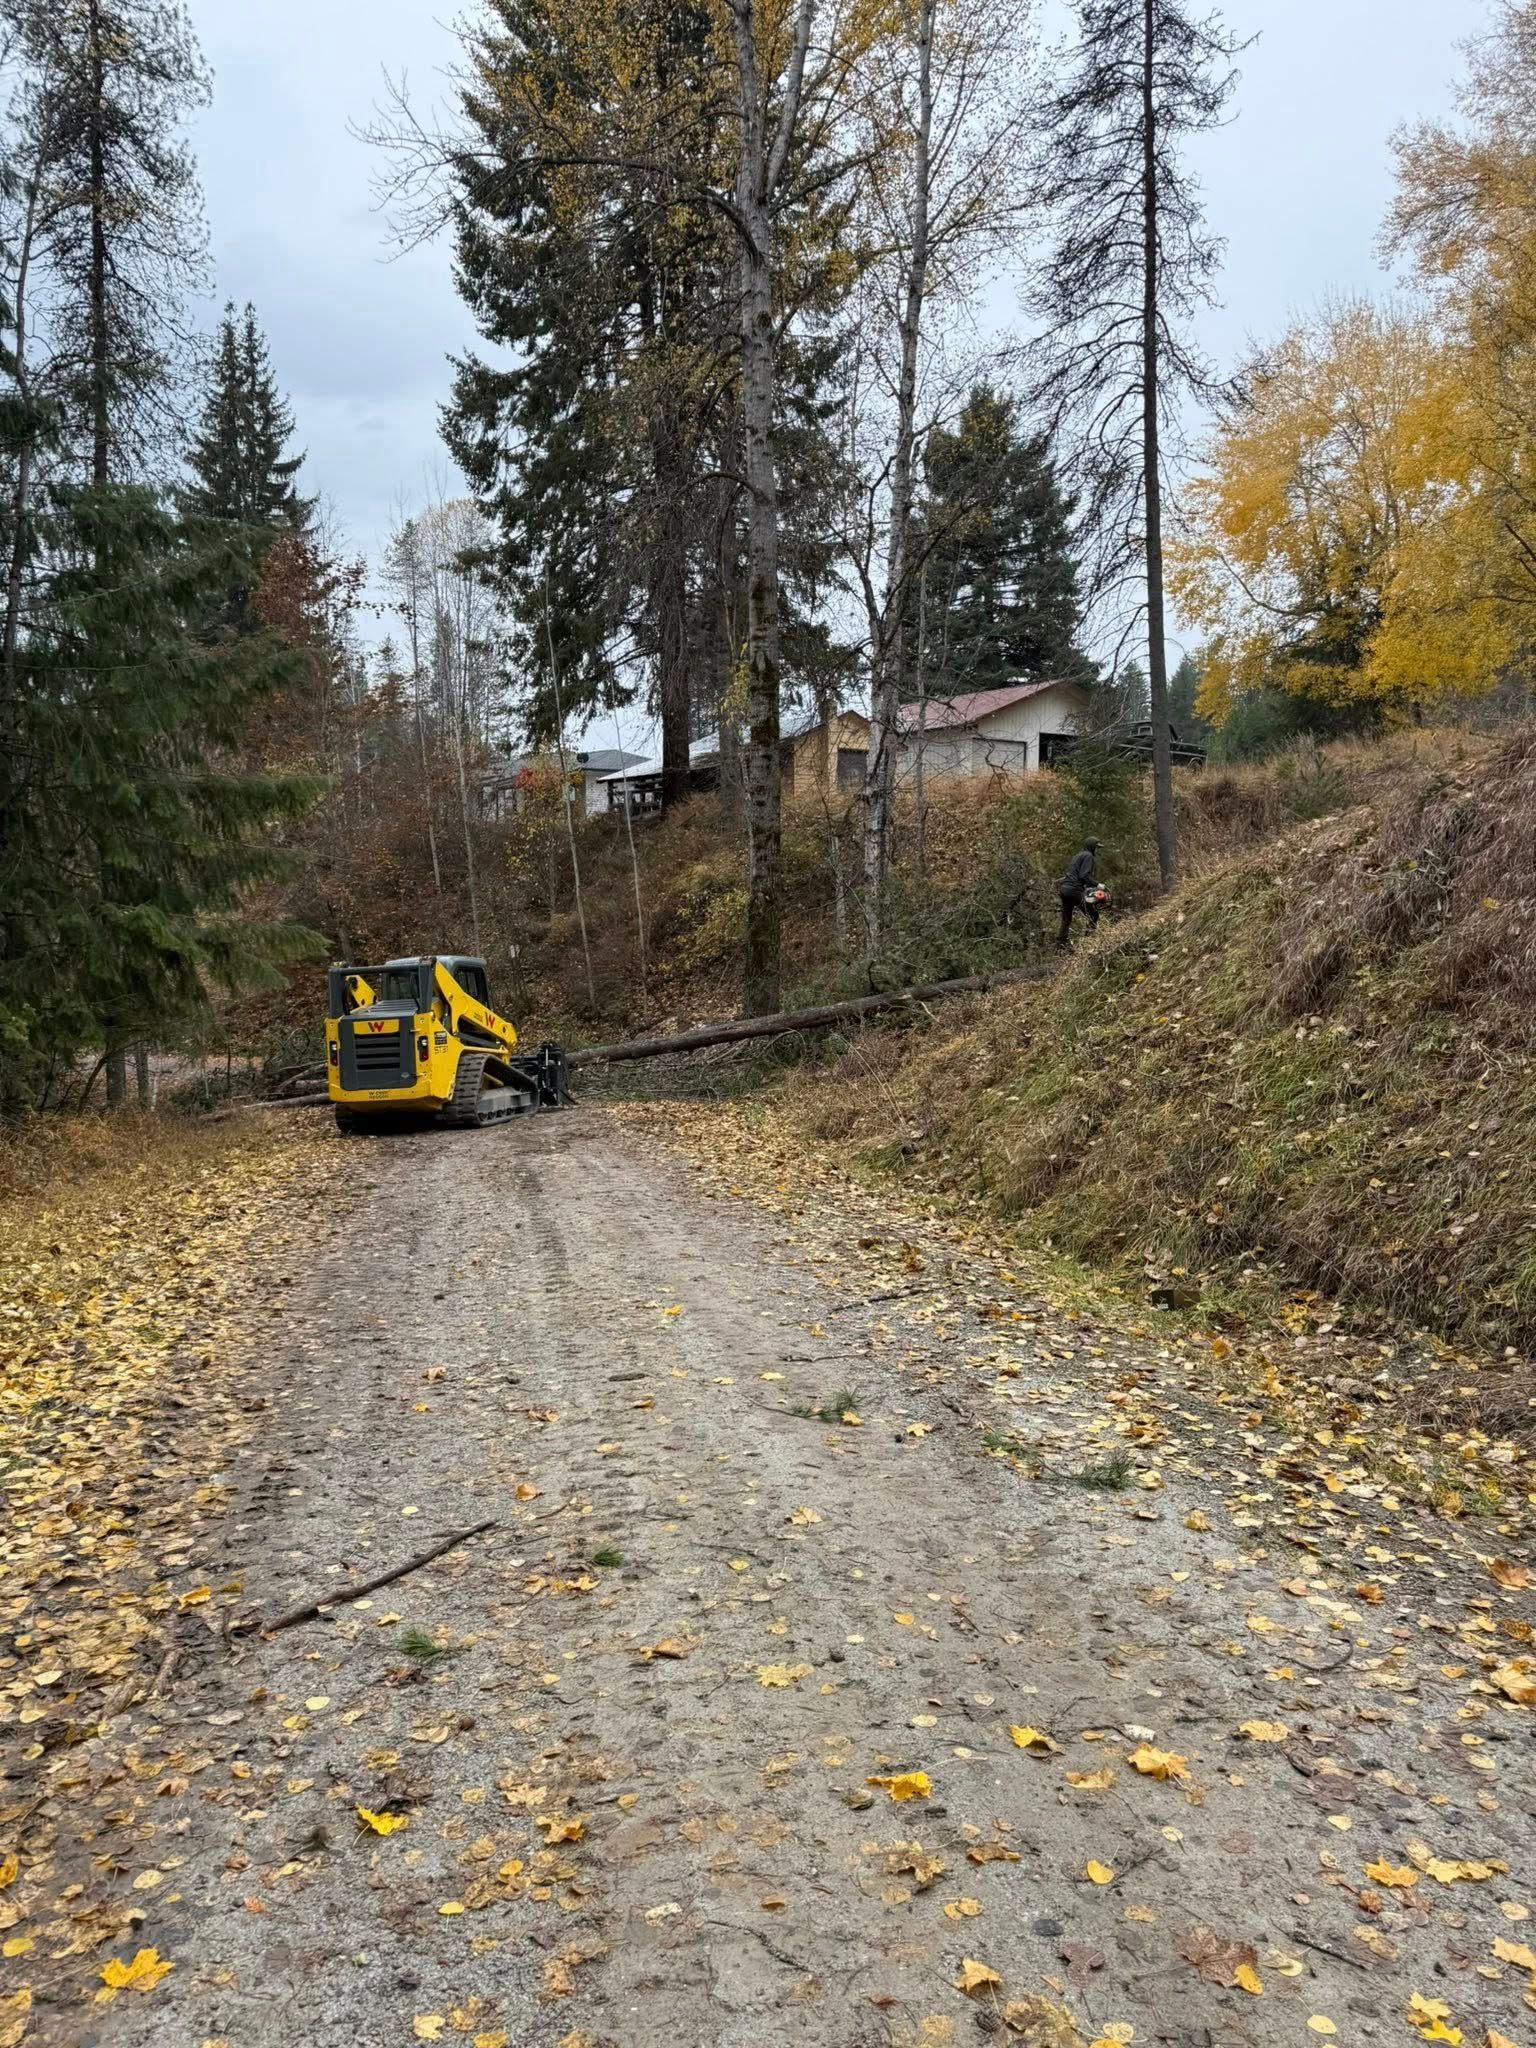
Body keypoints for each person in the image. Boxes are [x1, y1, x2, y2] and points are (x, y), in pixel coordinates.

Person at [1057, 837, 1101, 948]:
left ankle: (1061, 943)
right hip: (1074, 890)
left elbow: (1077, 874)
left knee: (1066, 918)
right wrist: (1098, 885)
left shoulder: (1077, 856)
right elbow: (1084, 875)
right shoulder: (1088, 856)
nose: (1097, 850)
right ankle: (1088, 942)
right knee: (1093, 914)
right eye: (1097, 847)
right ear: (1092, 847)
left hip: (1064, 889)